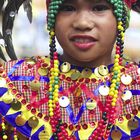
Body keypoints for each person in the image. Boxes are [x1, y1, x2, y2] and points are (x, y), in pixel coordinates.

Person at [0, 0, 140, 139]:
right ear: (51, 18)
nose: (82, 23)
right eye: (68, 8)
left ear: (122, 17)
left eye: (99, 8)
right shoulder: (10, 82)